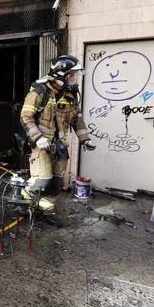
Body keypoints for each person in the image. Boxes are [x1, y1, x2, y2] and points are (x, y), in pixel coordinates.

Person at [20, 55, 96, 210]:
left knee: (56, 182)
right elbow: (25, 117)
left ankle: (44, 208)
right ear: (61, 75)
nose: (74, 79)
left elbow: (77, 119)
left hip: (60, 146)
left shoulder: (71, 94)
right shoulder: (39, 92)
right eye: (72, 75)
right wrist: (38, 138)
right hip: (41, 146)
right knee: (42, 179)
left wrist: (85, 139)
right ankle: (29, 203)